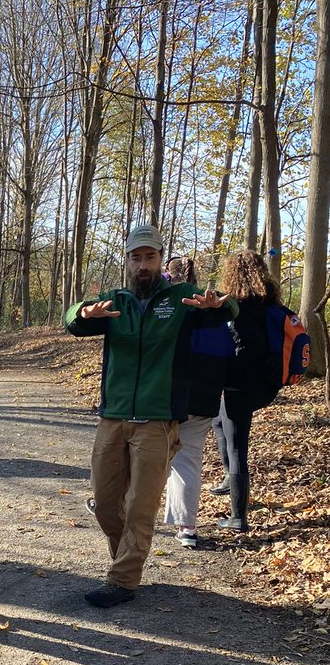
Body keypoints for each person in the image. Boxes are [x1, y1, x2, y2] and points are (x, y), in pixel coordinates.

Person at [65, 225, 236, 608]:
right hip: (113, 415)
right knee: (107, 504)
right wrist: (82, 312)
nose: (143, 265)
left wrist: (218, 306)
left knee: (142, 504)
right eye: (136, 257)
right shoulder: (116, 301)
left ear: (161, 259)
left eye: (150, 257)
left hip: (158, 420)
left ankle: (123, 580)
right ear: (127, 261)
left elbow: (227, 308)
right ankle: (126, 561)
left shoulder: (180, 298)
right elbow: (73, 320)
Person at [162, 257, 235, 548]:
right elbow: (228, 354)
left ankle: (118, 508)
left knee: (145, 453)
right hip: (206, 399)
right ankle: (186, 528)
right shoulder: (214, 311)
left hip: (170, 397)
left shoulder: (170, 309)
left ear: (169, 276)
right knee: (187, 458)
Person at [210, 250, 284, 532]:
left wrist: (225, 374)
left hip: (243, 384)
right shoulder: (269, 303)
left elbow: (248, 349)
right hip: (267, 382)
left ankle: (238, 517)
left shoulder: (240, 307)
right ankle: (232, 480)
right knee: (219, 422)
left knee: (237, 444)